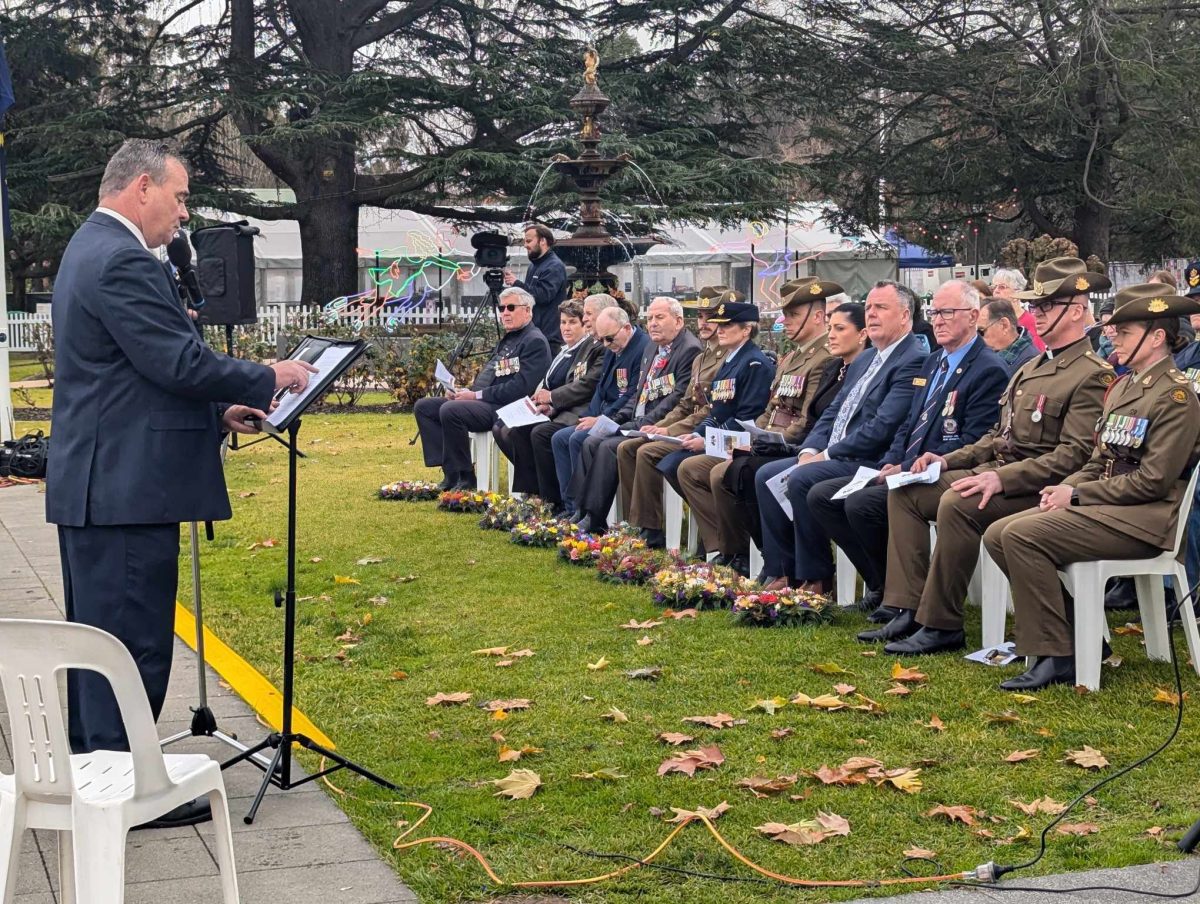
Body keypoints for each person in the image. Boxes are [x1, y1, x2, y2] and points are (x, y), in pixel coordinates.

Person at [47, 139, 317, 827]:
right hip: (126, 487)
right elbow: (175, 360)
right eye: (180, 194)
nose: (184, 210)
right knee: (128, 642)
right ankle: (126, 793)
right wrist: (268, 376)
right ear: (143, 187)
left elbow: (133, 373)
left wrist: (218, 410)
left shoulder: (89, 247)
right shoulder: (122, 259)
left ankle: (96, 774)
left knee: (97, 640)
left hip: (103, 483)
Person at [865, 257, 1114, 654]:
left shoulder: (1091, 373)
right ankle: (907, 606)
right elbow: (999, 437)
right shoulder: (1032, 366)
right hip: (1002, 472)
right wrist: (948, 459)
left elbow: (1074, 456)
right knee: (906, 491)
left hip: (1042, 486)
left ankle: (941, 622)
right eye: (1034, 306)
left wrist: (1002, 478)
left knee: (957, 503)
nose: (1036, 314)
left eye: (1047, 306)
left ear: (1078, 311)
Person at [984, 283, 1200, 690]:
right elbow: (1099, 458)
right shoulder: (1123, 386)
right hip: (1109, 509)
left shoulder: (1175, 396)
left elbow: (1153, 480)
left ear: (1157, 338)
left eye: (1125, 333)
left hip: (1146, 520)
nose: (1113, 337)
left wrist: (1080, 494)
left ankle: (1058, 655)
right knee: (998, 533)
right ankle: (1073, 638)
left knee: (1023, 536)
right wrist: (1065, 487)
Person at [808, 280, 1008, 620]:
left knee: (861, 503)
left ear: (974, 316)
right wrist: (891, 463)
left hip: (942, 469)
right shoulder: (933, 363)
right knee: (823, 496)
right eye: (935, 312)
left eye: (947, 312)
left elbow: (976, 440)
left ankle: (900, 596)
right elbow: (908, 425)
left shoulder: (987, 368)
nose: (938, 320)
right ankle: (881, 583)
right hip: (906, 467)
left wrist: (912, 465)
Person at [754, 280, 927, 593]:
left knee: (803, 479)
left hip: (872, 459)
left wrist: (826, 456)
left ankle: (817, 577)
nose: (871, 314)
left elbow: (883, 426)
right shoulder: (866, 358)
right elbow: (833, 413)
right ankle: (782, 569)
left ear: (904, 316)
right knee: (767, 474)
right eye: (869, 307)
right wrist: (810, 450)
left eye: (881, 308)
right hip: (836, 453)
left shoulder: (912, 359)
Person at [677, 277, 836, 571]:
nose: (785, 321)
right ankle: (738, 552)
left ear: (817, 316)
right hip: (766, 440)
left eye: (793, 315)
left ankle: (770, 560)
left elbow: (806, 420)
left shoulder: (823, 358)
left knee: (734, 471)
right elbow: (768, 410)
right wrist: (756, 435)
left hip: (794, 445)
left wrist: (762, 441)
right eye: (785, 314)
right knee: (703, 468)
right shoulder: (790, 358)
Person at [633, 300, 776, 548]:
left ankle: (729, 542)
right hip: (719, 434)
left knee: (686, 467)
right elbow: (714, 410)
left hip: (738, 440)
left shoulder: (754, 364)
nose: (719, 329)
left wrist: (706, 440)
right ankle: (717, 536)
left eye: (727, 325)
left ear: (746, 329)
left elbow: (746, 418)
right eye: (718, 324)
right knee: (670, 464)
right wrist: (697, 434)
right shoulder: (730, 362)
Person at [569, 299, 702, 532]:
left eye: (659, 318)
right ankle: (585, 511)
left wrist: (642, 423)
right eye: (649, 318)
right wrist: (618, 419)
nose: (652, 324)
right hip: (639, 419)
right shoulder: (653, 347)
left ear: (679, 321)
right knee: (591, 440)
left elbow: (676, 399)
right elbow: (638, 393)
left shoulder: (689, 349)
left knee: (610, 446)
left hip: (659, 423)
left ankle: (619, 521)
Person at [614, 287, 733, 547]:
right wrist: (659, 426)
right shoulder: (702, 358)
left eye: (710, 317)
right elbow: (685, 403)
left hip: (709, 433)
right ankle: (638, 523)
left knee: (646, 452)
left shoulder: (719, 356)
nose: (703, 323)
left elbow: (708, 410)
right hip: (690, 426)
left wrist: (670, 430)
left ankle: (652, 529)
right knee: (628, 447)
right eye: (700, 316)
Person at [414, 287, 550, 489]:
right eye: (502, 308)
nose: (505, 313)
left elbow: (520, 388)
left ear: (528, 310)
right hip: (485, 400)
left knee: (450, 411)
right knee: (424, 407)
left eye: (511, 307)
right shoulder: (510, 338)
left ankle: (466, 476)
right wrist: (462, 392)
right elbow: (491, 377)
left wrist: (476, 395)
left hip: (506, 407)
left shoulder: (534, 341)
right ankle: (450, 471)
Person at [493, 295, 608, 509]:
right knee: (505, 428)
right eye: (563, 322)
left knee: (538, 433)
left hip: (576, 412)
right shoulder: (566, 351)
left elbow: (585, 386)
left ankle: (551, 498)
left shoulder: (594, 347)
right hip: (558, 409)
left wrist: (552, 401)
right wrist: (546, 403)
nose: (566, 328)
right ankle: (535, 490)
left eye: (574, 322)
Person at [551, 306, 649, 515]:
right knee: (560, 438)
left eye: (609, 339)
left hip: (621, 417)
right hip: (605, 413)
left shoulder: (642, 347)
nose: (605, 344)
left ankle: (584, 508)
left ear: (626, 328)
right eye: (602, 339)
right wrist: (590, 415)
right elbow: (601, 389)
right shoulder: (613, 344)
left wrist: (602, 419)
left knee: (579, 439)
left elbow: (631, 393)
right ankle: (570, 506)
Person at [503, 223, 568, 351]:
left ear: (542, 241)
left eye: (529, 241)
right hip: (535, 333)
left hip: (548, 337)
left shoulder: (554, 266)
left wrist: (517, 284)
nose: (525, 245)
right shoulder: (534, 265)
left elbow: (543, 295)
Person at [978, 299, 1039, 374]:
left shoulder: (1029, 363)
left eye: (981, 331)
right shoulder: (991, 355)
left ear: (1004, 325)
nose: (977, 338)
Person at [991, 267, 1045, 351]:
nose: (996, 291)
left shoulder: (1030, 322)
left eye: (1002, 287)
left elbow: (1038, 356)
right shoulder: (992, 321)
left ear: (1017, 293)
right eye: (994, 287)